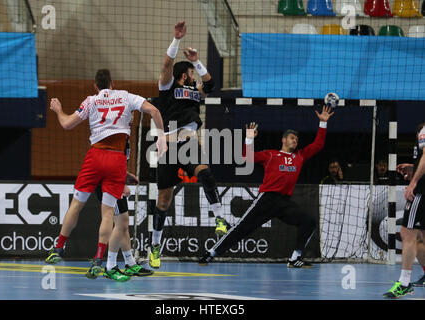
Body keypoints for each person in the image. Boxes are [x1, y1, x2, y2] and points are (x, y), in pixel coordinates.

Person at [45, 69, 167, 280]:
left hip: (95, 157)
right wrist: (161, 138)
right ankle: (100, 260)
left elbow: (66, 124)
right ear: (112, 83)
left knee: (77, 204)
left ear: (95, 86)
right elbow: (154, 111)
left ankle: (58, 248)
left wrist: (58, 109)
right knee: (110, 215)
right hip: (116, 160)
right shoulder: (126, 96)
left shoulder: (91, 101)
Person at [199, 106, 334, 268]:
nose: (295, 140)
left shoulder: (300, 156)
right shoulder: (271, 155)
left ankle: (294, 258)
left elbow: (318, 145)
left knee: (309, 222)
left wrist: (323, 123)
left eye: (296, 139)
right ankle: (211, 253)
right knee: (242, 229)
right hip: (267, 199)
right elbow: (246, 157)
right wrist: (249, 138)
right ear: (283, 140)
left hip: (284, 202)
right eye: (291, 138)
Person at [148, 21, 229, 269]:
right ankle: (155, 246)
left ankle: (219, 218)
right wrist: (177, 39)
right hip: (167, 147)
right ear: (183, 74)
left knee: (204, 171)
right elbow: (166, 65)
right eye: (192, 72)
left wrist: (197, 61)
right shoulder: (168, 86)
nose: (194, 76)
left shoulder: (195, 89)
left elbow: (212, 86)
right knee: (164, 200)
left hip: (189, 142)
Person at [383, 122, 425, 298]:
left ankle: (405, 283)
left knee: (407, 234)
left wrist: (414, 182)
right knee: (421, 236)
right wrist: (413, 168)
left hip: (422, 191)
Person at [95, 172, 154, 282]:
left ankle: (130, 264)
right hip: (108, 183)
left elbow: (117, 163)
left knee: (124, 223)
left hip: (113, 182)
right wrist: (122, 185)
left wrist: (126, 175)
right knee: (120, 224)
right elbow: (109, 163)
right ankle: (110, 267)